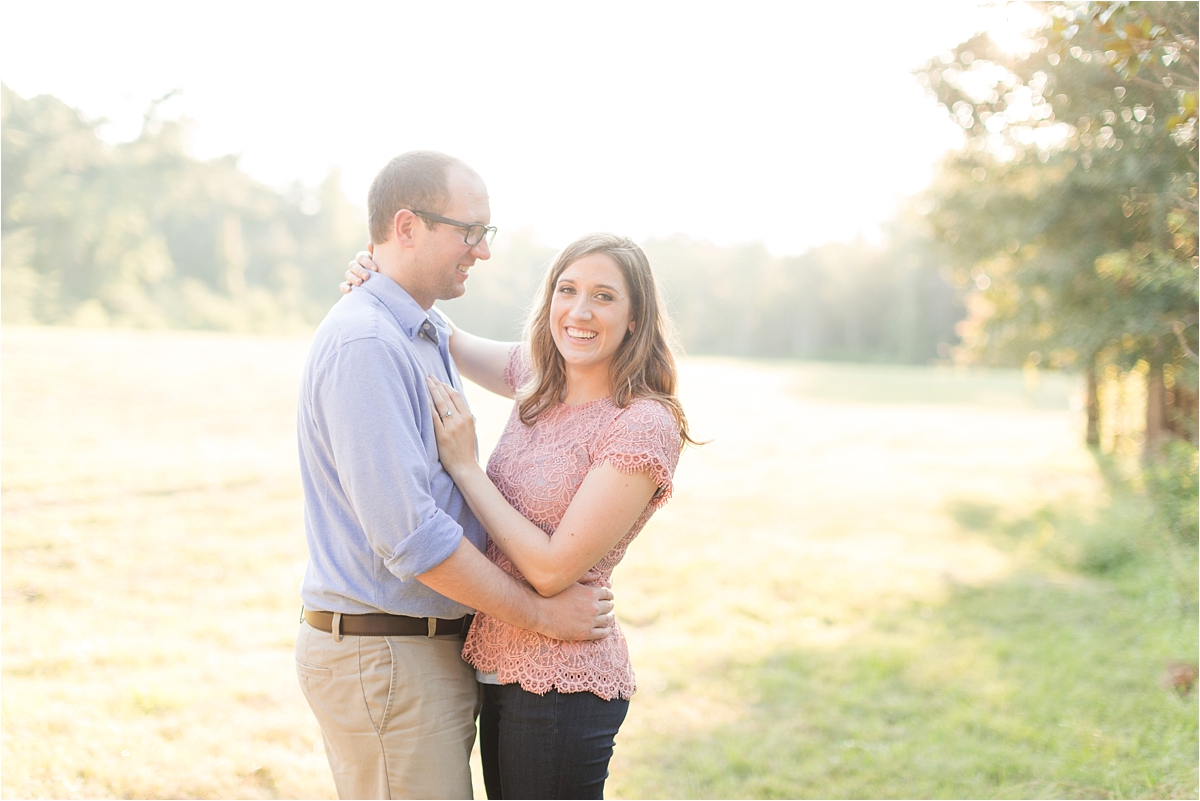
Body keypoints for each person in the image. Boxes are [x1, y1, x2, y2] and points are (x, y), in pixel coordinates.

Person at [296, 150, 616, 801]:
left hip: (420, 653)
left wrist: (384, 278)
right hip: (387, 655)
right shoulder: (369, 343)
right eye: (470, 231)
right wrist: (540, 615)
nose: (483, 250)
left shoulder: (417, 329)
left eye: (486, 233)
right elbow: (410, 534)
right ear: (407, 226)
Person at [343, 232, 697, 799]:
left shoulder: (642, 423)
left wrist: (465, 466)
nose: (579, 312)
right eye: (567, 290)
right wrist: (384, 278)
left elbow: (552, 570)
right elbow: (448, 338)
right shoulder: (540, 376)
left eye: (604, 297)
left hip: (563, 682)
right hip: (497, 668)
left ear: (635, 319)